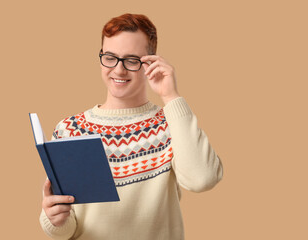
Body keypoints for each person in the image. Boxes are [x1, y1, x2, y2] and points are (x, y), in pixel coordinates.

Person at [39, 13, 223, 240]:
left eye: (132, 60)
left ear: (151, 63)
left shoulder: (171, 123)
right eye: (110, 57)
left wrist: (170, 96)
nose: (118, 70)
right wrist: (55, 219)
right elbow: (66, 229)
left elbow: (202, 179)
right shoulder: (69, 130)